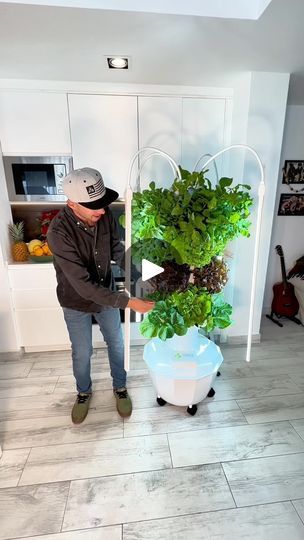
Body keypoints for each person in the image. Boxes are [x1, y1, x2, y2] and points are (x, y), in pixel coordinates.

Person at [47, 167, 154, 424]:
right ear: (72, 203)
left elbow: (116, 250)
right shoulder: (58, 233)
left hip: (105, 293)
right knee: (82, 352)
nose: (103, 211)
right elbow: (83, 286)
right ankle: (83, 393)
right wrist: (129, 301)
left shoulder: (102, 216)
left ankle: (120, 386)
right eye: (94, 206)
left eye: (103, 203)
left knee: (116, 343)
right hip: (75, 301)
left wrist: (139, 277)